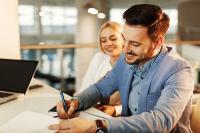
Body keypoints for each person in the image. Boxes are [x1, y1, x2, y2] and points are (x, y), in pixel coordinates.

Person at [49, 4, 194, 133]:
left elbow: (161, 122)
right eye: (124, 39)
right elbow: (100, 88)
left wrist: (97, 126)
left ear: (157, 42)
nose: (125, 49)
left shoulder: (179, 70)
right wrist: (76, 101)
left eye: (135, 44)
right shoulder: (126, 61)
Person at [79, 21, 124, 116]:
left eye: (113, 39)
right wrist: (76, 103)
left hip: (120, 116)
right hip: (94, 109)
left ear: (124, 39)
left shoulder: (131, 62)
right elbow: (85, 87)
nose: (108, 43)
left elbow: (135, 104)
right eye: (103, 41)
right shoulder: (98, 57)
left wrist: (115, 109)